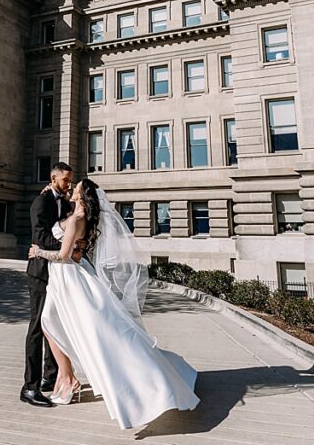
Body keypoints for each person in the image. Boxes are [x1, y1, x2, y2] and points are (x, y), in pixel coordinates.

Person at [28, 176, 200, 429]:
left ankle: (71, 379)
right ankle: (67, 378)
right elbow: (74, 244)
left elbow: (65, 256)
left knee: (79, 328)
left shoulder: (77, 219)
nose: (72, 190)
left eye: (75, 189)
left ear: (82, 195)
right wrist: (48, 191)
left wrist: (38, 252)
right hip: (64, 277)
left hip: (68, 277)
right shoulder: (79, 214)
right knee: (51, 323)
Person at [20, 161, 72, 407]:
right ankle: (29, 387)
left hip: (59, 274)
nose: (68, 184)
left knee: (54, 326)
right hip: (40, 273)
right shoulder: (41, 202)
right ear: (53, 179)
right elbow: (39, 237)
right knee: (38, 327)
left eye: (70, 181)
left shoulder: (67, 203)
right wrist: (67, 247)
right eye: (65, 180)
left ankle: (49, 379)